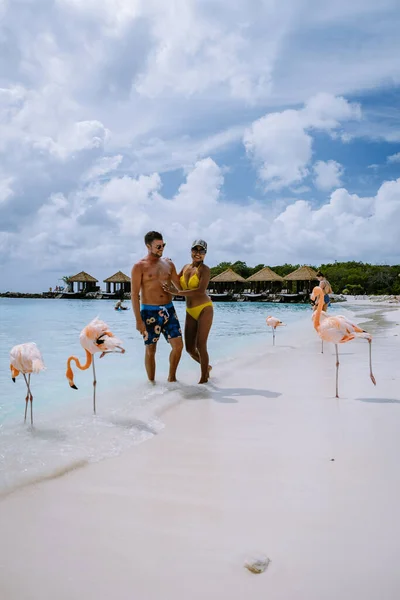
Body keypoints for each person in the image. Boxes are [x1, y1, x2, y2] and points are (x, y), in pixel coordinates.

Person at [131, 231, 183, 383]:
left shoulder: (168, 264)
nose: (162, 249)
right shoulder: (139, 266)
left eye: (163, 245)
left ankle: (172, 379)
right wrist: (138, 320)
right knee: (151, 350)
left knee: (178, 346)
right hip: (149, 311)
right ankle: (151, 385)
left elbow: (180, 286)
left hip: (169, 309)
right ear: (148, 246)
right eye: (158, 246)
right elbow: (134, 295)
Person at [163, 240, 213, 384]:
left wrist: (177, 292)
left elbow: (200, 291)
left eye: (201, 251)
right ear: (191, 251)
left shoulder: (205, 270)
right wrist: (167, 264)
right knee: (190, 349)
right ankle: (207, 367)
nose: (198, 253)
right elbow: (174, 280)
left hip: (204, 308)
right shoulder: (185, 267)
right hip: (190, 310)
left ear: (205, 254)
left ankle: (204, 379)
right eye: (195, 250)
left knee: (201, 345)